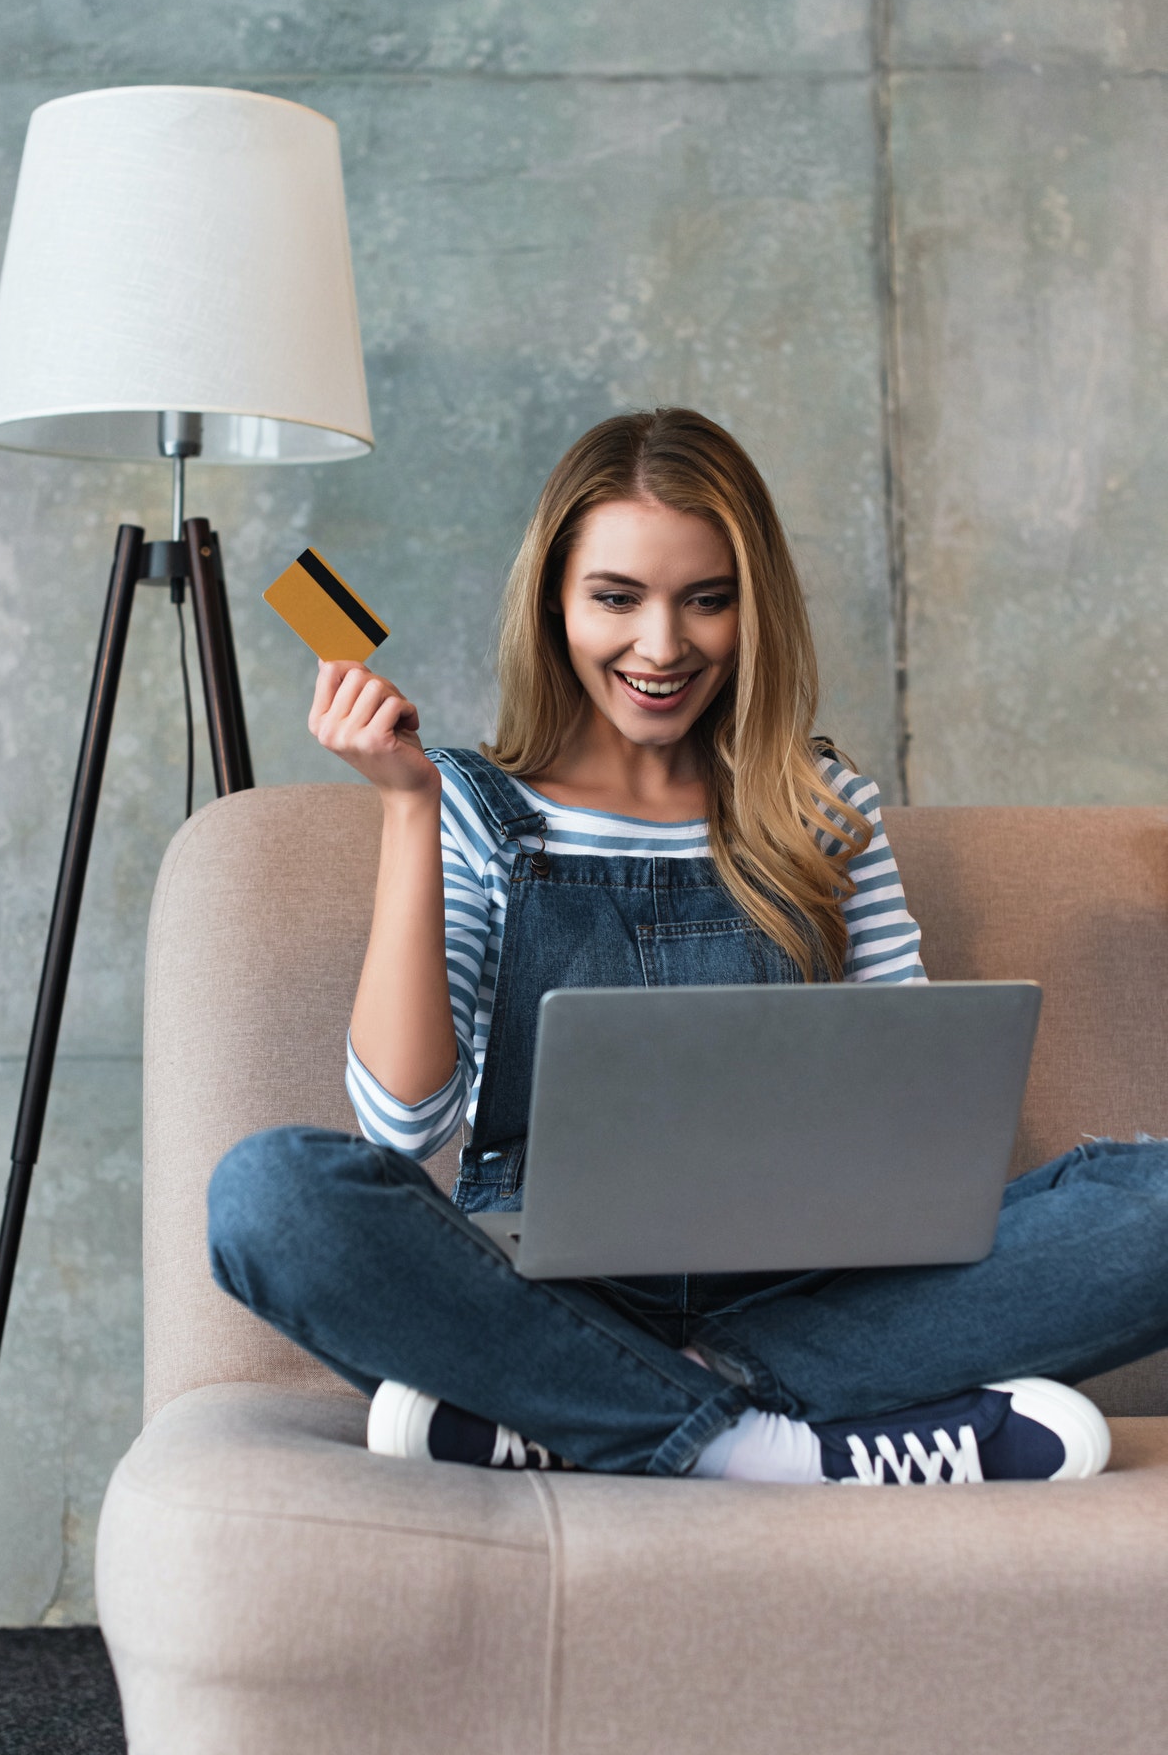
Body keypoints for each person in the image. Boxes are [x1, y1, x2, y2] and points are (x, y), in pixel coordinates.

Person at [209, 408, 1168, 1486]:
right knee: (272, 1196)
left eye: (706, 600)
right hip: (552, 1287)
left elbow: (922, 1121)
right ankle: (786, 1446)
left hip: (811, 1290)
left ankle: (590, 1414)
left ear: (752, 611)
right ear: (554, 602)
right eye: (616, 598)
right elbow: (403, 1119)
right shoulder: (478, 808)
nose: (662, 647)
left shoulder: (822, 803)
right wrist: (406, 809)